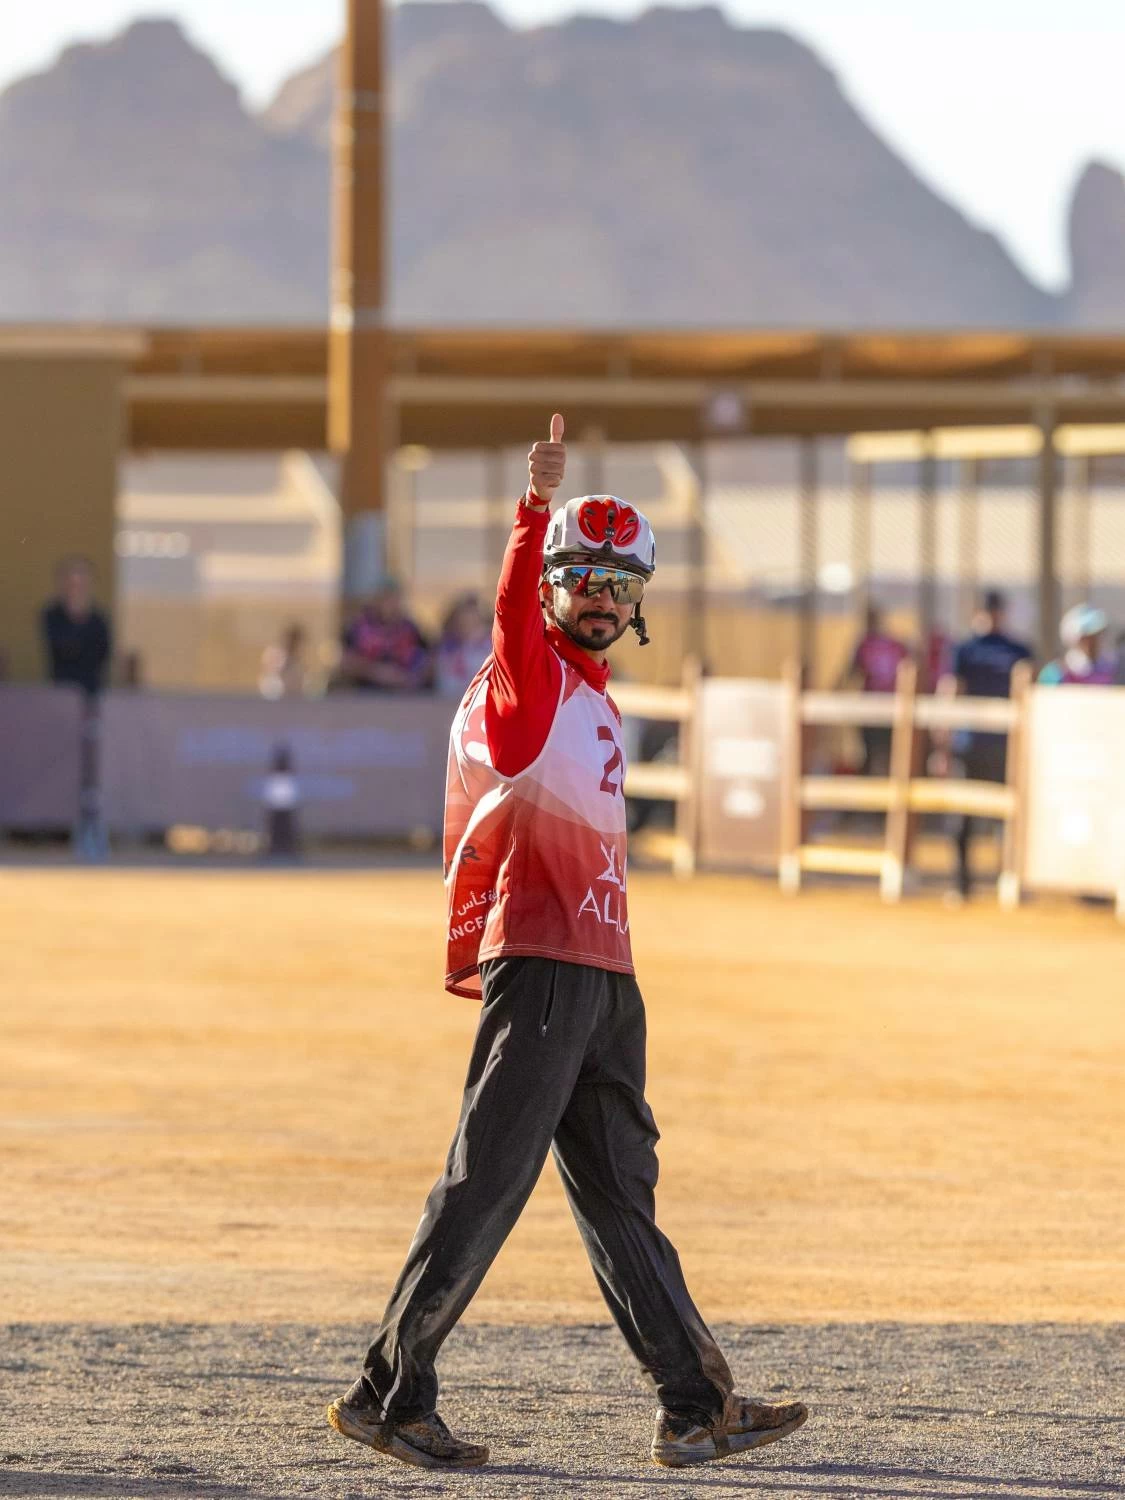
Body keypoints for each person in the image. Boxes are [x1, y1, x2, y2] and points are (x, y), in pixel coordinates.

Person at [326, 415, 808, 1473]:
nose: (600, 594)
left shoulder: (593, 695)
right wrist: (532, 508)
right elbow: (508, 616)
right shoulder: (528, 681)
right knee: (486, 1179)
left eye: (618, 582)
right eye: (580, 575)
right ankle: (389, 1396)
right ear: (548, 587)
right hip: (543, 962)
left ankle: (695, 1405)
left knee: (620, 1193)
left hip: (601, 974)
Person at [939, 590, 1032, 899]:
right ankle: (961, 883)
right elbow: (951, 691)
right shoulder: (964, 650)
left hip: (1008, 746)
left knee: (1009, 817)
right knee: (963, 816)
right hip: (969, 744)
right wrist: (943, 742)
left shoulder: (1017, 649)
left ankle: (1009, 878)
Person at [838, 604, 909, 776]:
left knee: (883, 756)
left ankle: (882, 796)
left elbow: (849, 674)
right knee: (878, 755)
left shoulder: (881, 645)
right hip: (878, 709)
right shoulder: (888, 645)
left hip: (888, 709)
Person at [40, 556, 112, 697]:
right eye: (71, 580)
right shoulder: (51, 615)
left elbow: (102, 655)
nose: (76, 586)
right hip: (61, 691)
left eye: (82, 578)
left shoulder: (100, 619)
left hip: (93, 693)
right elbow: (62, 650)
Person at [338, 581, 430, 691]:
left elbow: (429, 660)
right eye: (386, 598)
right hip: (364, 694)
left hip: (404, 695)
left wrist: (407, 678)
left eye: (395, 599)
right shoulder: (358, 627)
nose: (390, 604)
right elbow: (345, 662)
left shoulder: (410, 628)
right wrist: (376, 672)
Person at [1038, 604, 1116, 685]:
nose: (1094, 642)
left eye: (1099, 635)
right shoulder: (1055, 674)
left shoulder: (1111, 671)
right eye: (1087, 637)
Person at [432, 593, 492, 698]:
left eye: (474, 623)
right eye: (463, 624)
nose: (468, 629)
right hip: (450, 703)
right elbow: (446, 682)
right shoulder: (447, 649)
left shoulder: (490, 648)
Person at [259, 623, 309, 700]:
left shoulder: (297, 658)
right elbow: (272, 670)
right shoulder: (276, 652)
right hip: (275, 692)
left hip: (293, 695)